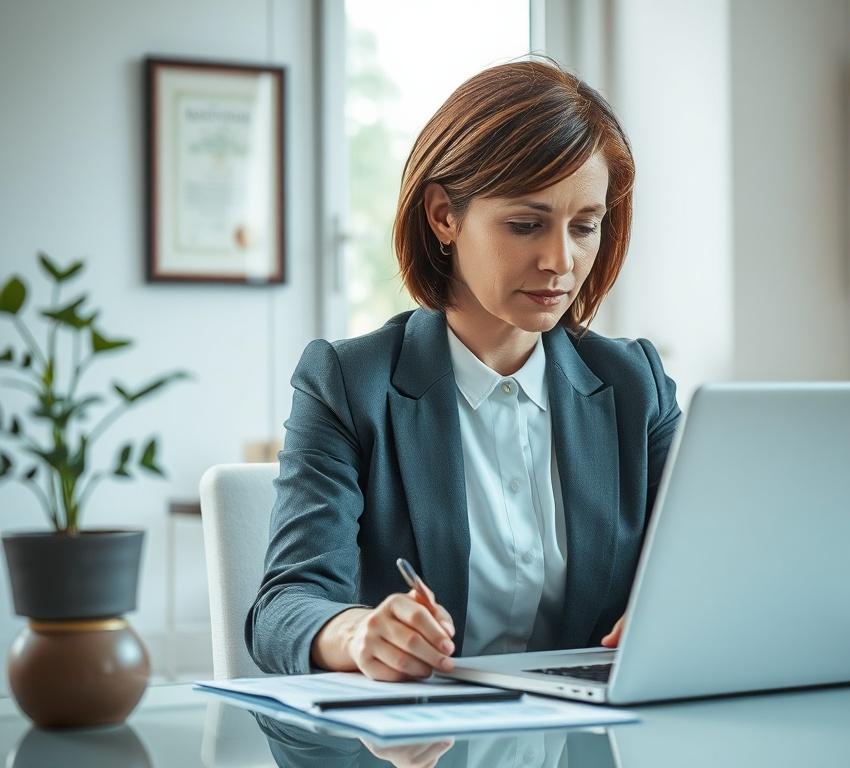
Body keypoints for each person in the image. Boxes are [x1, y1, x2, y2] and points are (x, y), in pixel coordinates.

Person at [244, 56, 682, 682]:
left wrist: (667, 612)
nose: (561, 260)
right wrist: (360, 632)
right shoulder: (348, 384)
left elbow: (708, 565)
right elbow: (284, 605)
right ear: (444, 215)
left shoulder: (635, 383)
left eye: (585, 226)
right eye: (526, 224)